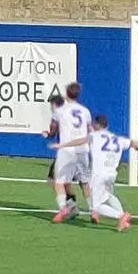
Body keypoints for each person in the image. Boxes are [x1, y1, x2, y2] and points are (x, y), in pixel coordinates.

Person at [55, 114, 131, 231]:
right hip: (111, 174)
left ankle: (121, 216)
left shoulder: (94, 136)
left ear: (96, 124)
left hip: (99, 174)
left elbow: (82, 140)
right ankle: (123, 219)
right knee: (108, 196)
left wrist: (63, 144)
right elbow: (131, 143)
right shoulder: (115, 138)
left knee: (96, 206)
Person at [49, 82, 93, 223]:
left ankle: (64, 208)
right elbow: (90, 131)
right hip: (82, 149)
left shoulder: (60, 111)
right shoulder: (85, 111)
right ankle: (93, 210)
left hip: (66, 150)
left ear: (66, 94)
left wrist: (48, 134)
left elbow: (53, 130)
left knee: (58, 182)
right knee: (85, 182)